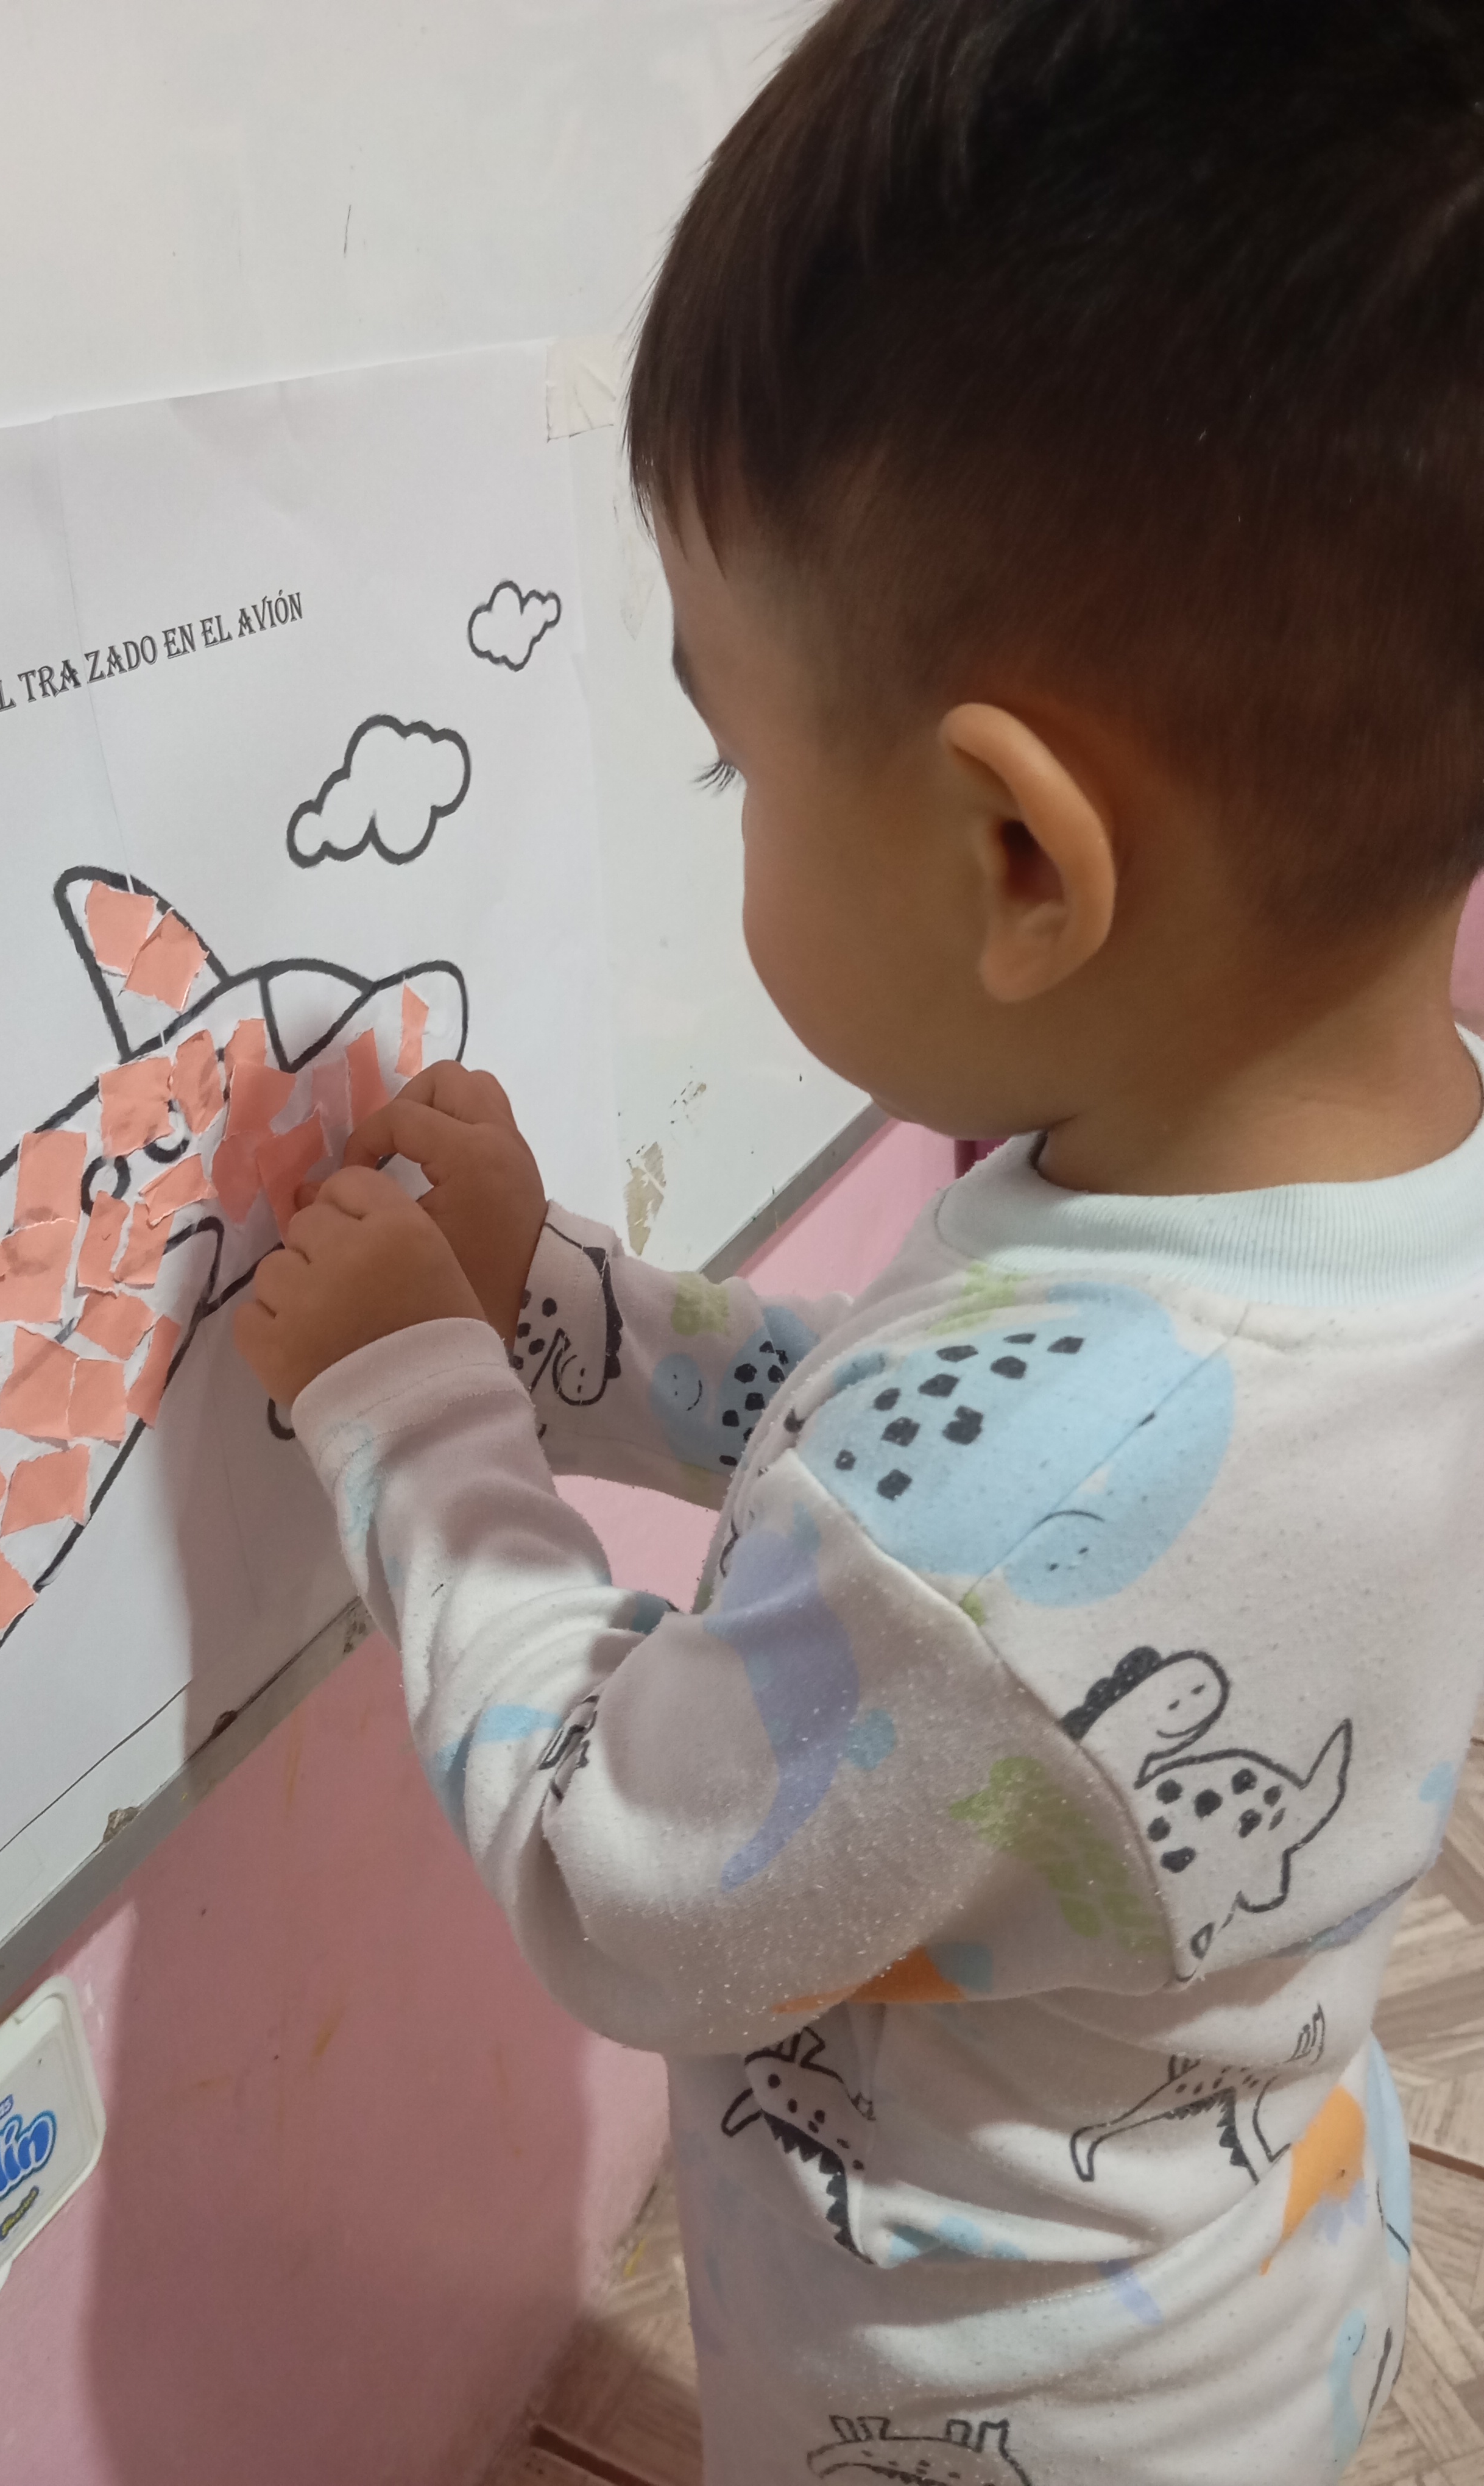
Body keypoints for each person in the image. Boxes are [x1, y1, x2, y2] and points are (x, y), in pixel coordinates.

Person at [233, 3, 1484, 2474]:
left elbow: (628, 1867)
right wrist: (563, 1312)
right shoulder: (1353, 1202)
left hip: (985, 2425)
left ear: (1017, 859)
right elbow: (948, 1452)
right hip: (1257, 2278)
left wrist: (411, 1406)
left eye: (730, 752)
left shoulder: (999, 1519)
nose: (717, 797)